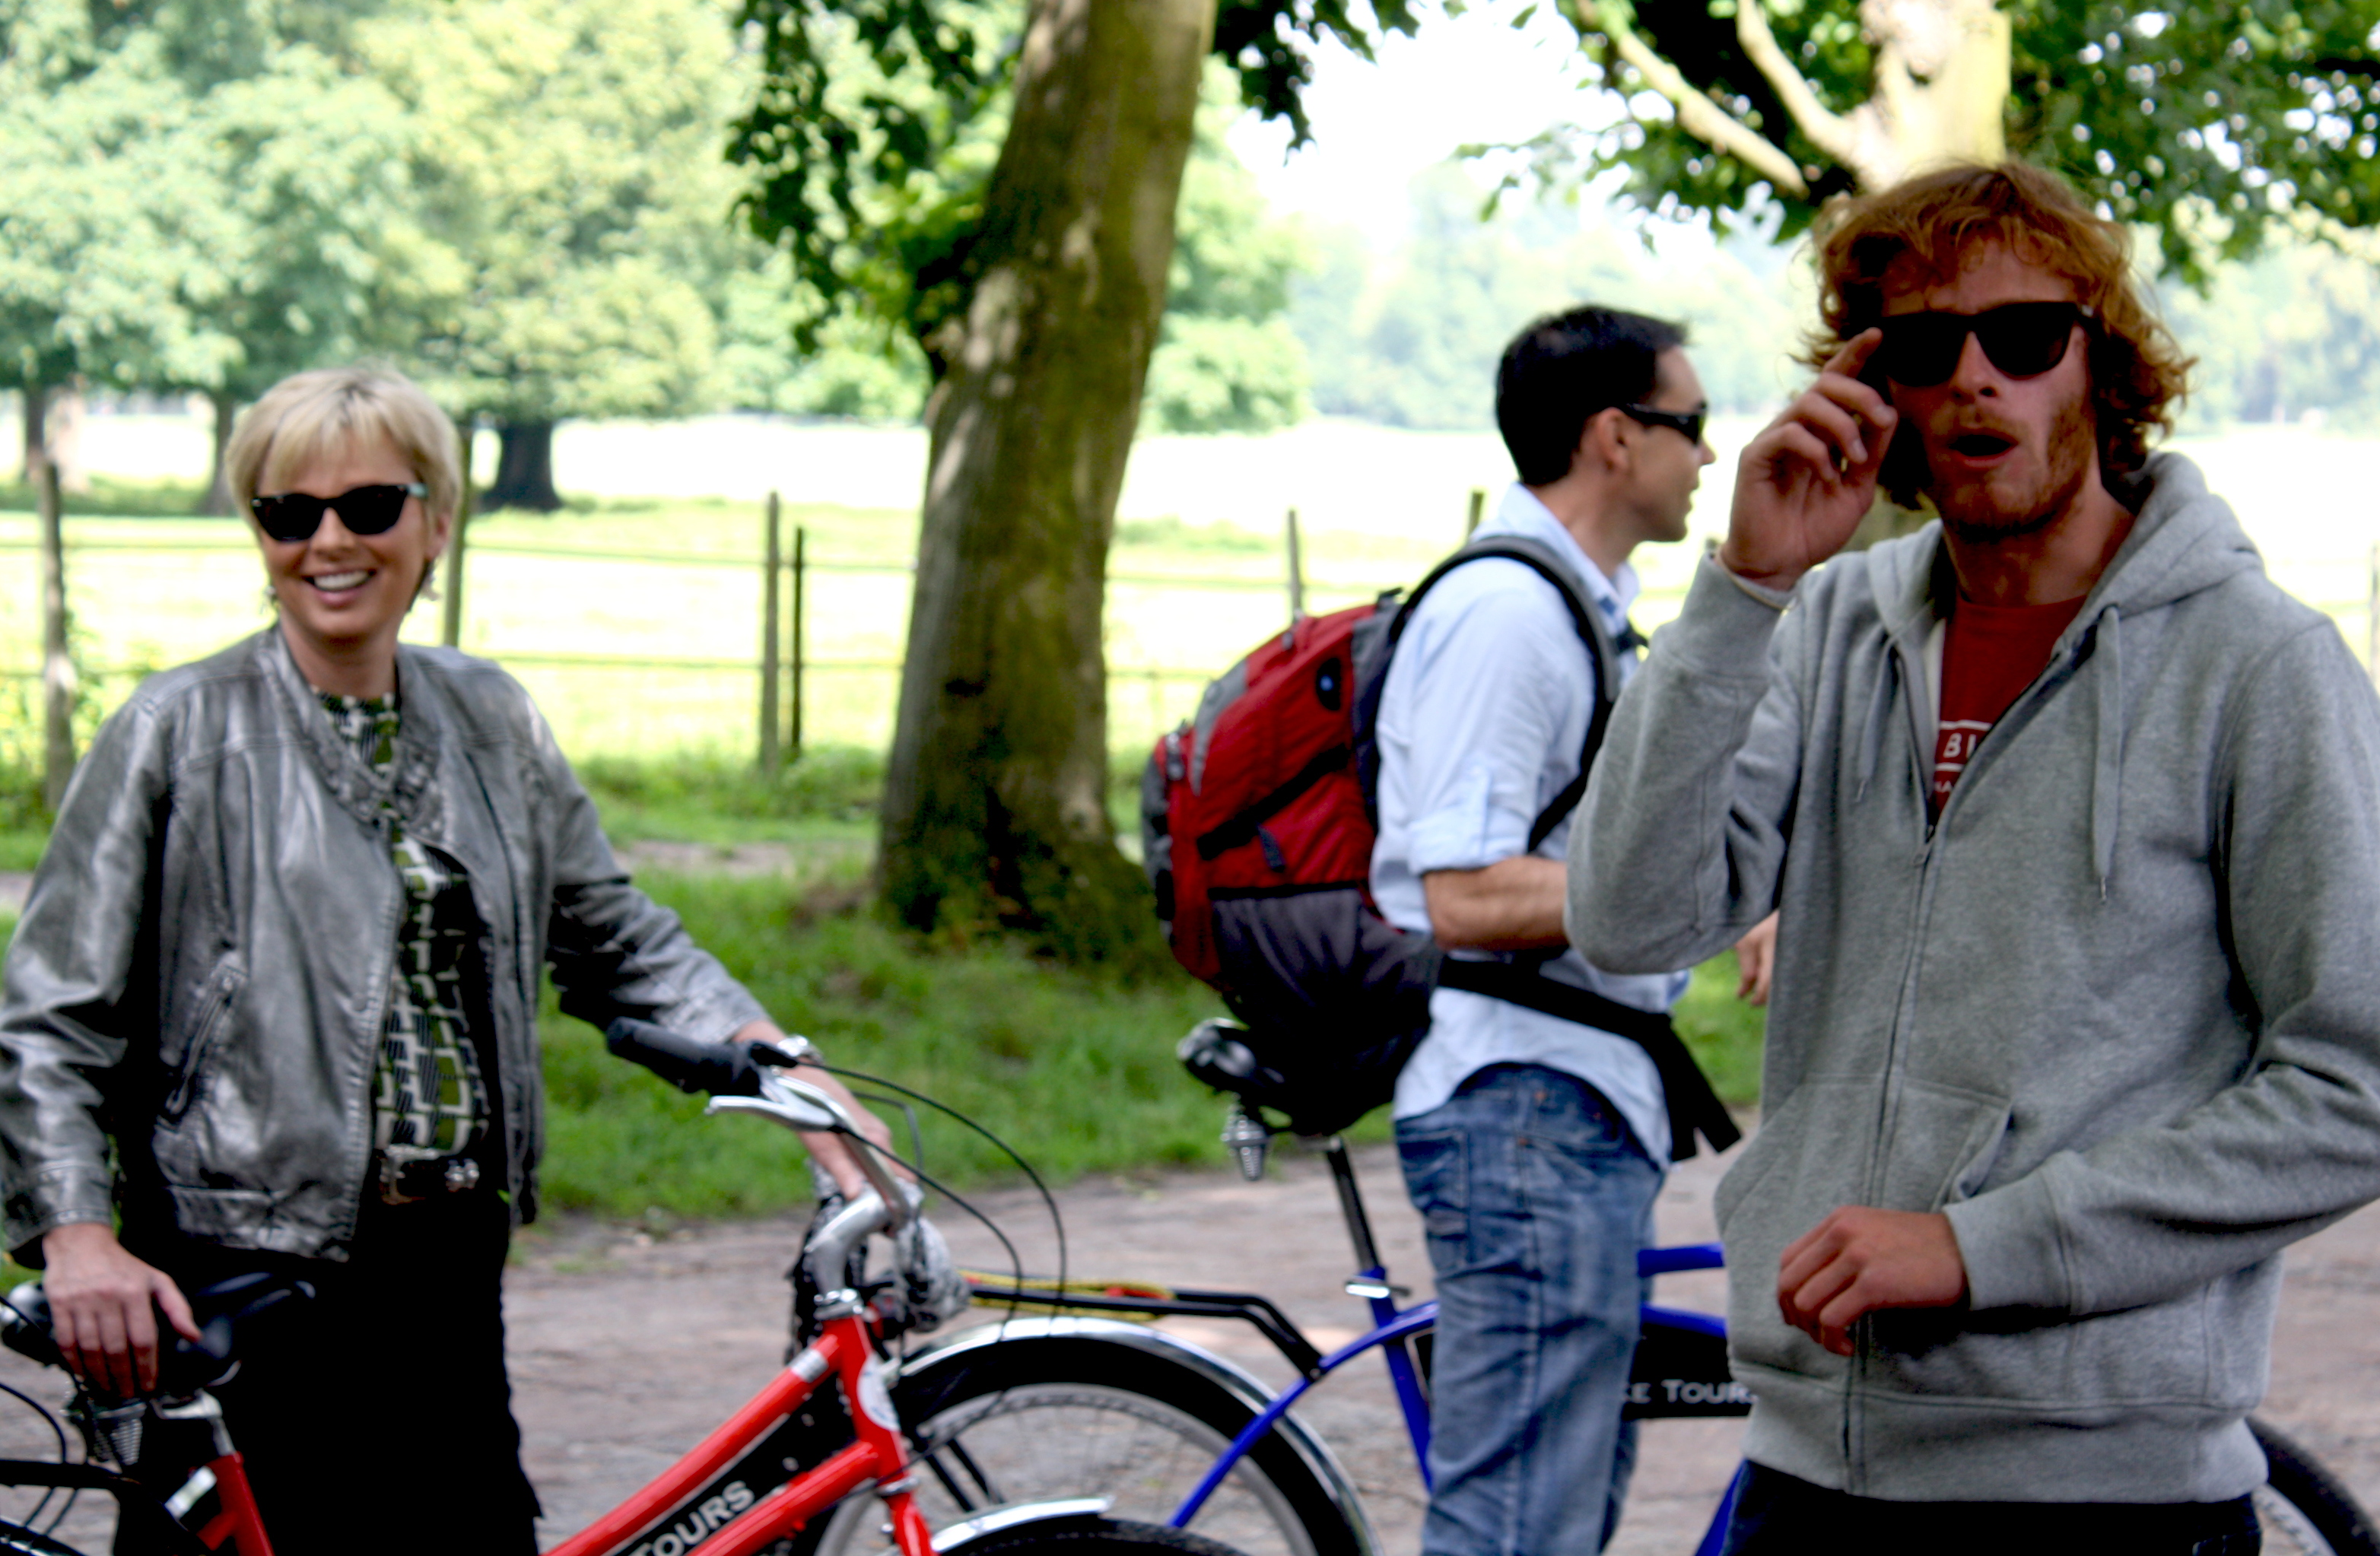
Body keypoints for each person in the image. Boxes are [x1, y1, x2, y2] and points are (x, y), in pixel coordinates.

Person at [1571, 161, 2380, 1551]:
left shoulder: (2257, 665)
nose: (1972, 379)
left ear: (2100, 364)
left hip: (2103, 1499)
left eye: (2021, 335)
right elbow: (1627, 918)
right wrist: (1743, 592)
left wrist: (1981, 1248)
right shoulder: (1827, 626)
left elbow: (2355, 1085)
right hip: (1804, 1472)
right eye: (1924, 345)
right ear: (1871, 385)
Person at [0, 366, 893, 1555]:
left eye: (369, 505)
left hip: (447, 1261)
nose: (329, 540)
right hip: (242, 1267)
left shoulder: (491, 720)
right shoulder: (178, 730)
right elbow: (50, 1016)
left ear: (436, 521)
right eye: (289, 511)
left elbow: (615, 935)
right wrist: (74, 1231)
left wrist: (782, 1065)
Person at [1371, 305, 1758, 1556]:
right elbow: (1462, 892)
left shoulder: (1576, 605)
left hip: (1568, 1107)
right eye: (1690, 423)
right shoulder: (1508, 614)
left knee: (1561, 1516)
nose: (1708, 454)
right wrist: (1691, 898)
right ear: (1613, 437)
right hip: (1525, 1107)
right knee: (1517, 1528)